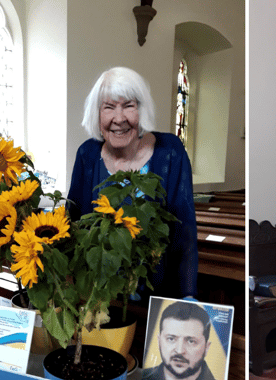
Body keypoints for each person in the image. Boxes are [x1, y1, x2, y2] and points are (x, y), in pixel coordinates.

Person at [67, 66, 198, 301]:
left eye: (129, 106)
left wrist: (187, 295)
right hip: (99, 298)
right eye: (109, 107)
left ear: (142, 110)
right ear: (97, 114)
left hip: (157, 295)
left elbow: (184, 232)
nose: (119, 119)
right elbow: (73, 224)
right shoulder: (87, 155)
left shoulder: (170, 152)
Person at [141, 301, 223, 380]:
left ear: (206, 347)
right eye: (171, 338)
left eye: (191, 341)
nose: (179, 350)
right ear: (159, 342)